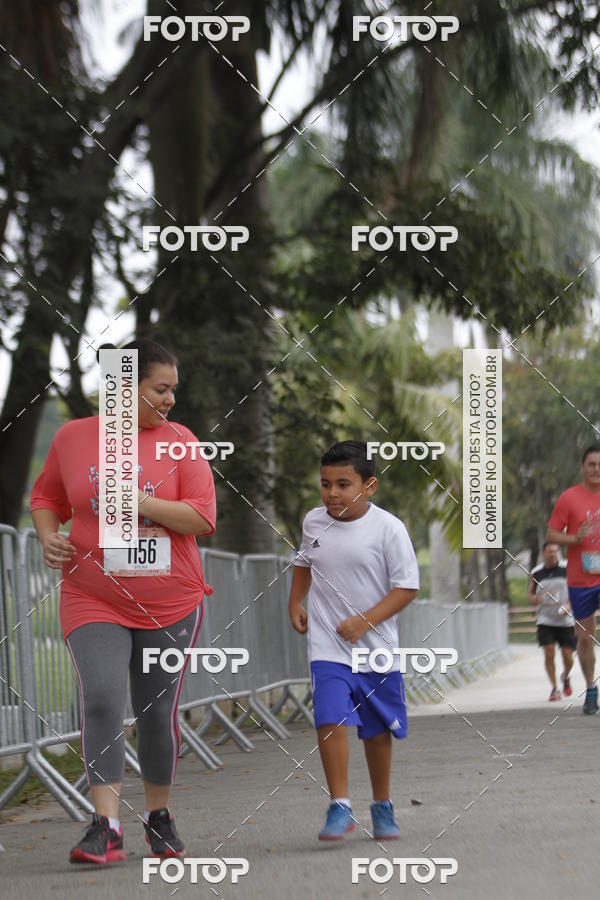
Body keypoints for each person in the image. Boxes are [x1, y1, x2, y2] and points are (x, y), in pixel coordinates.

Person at [30, 339, 216, 863]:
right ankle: (105, 825)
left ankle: (159, 817)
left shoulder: (181, 442)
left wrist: (139, 501)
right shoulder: (73, 438)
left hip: (171, 601)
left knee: (156, 712)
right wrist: (48, 534)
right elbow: (46, 496)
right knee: (103, 696)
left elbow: (201, 517)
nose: (172, 399)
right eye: (162, 388)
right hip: (92, 595)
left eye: (174, 389)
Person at [288, 440, 419, 841]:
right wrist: (295, 601)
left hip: (377, 650)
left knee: (377, 732)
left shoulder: (389, 529)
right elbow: (303, 563)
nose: (332, 493)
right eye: (326, 484)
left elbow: (407, 588)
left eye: (343, 484)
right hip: (328, 646)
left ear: (370, 486)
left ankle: (382, 805)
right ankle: (340, 804)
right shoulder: (314, 522)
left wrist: (365, 621)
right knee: (329, 716)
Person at [547, 445, 600, 714]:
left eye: (599, 464)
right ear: (583, 467)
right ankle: (591, 689)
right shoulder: (570, 498)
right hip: (581, 579)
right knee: (584, 637)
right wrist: (575, 539)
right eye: (591, 464)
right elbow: (551, 535)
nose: (596, 469)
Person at [527, 542, 576, 701]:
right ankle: (554, 689)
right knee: (549, 652)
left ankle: (565, 676)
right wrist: (535, 599)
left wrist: (569, 606)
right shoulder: (537, 572)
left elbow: (576, 590)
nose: (552, 554)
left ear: (559, 552)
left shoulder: (567, 568)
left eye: (555, 551)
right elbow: (530, 594)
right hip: (545, 619)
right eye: (549, 552)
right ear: (543, 554)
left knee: (568, 656)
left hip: (565, 620)